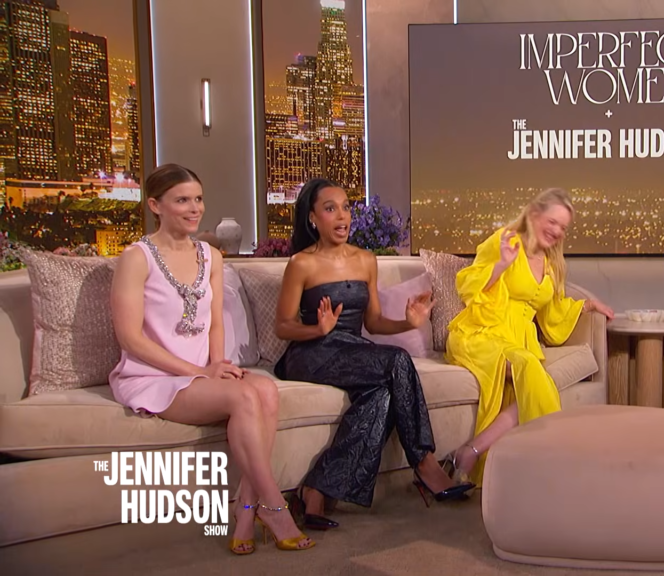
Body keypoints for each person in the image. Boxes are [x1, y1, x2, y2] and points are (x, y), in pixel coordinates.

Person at [109, 164, 313, 554]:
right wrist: (199, 372)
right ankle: (273, 505)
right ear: (155, 205)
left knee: (266, 391)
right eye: (182, 200)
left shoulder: (211, 256)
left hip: (202, 372)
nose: (194, 208)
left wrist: (216, 365)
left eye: (198, 199)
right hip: (153, 376)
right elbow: (130, 339)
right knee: (243, 396)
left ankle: (246, 511)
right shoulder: (136, 258)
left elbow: (215, 322)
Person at [274, 179, 474, 528]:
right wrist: (316, 330)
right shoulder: (301, 264)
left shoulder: (366, 260)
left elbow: (375, 323)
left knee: (380, 396)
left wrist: (409, 323)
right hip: (310, 353)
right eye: (330, 208)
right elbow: (282, 326)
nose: (342, 216)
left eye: (346, 207)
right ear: (312, 219)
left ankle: (316, 490)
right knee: (397, 361)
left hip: (351, 348)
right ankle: (425, 463)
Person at [444, 188, 614, 483]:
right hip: (483, 332)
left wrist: (588, 304)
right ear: (534, 215)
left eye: (563, 227)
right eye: (553, 222)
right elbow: (468, 286)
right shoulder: (505, 241)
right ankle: (553, 466)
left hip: (519, 340)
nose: (558, 231)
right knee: (531, 370)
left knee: (536, 382)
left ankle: (470, 452)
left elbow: (552, 315)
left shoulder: (552, 263)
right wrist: (501, 266)